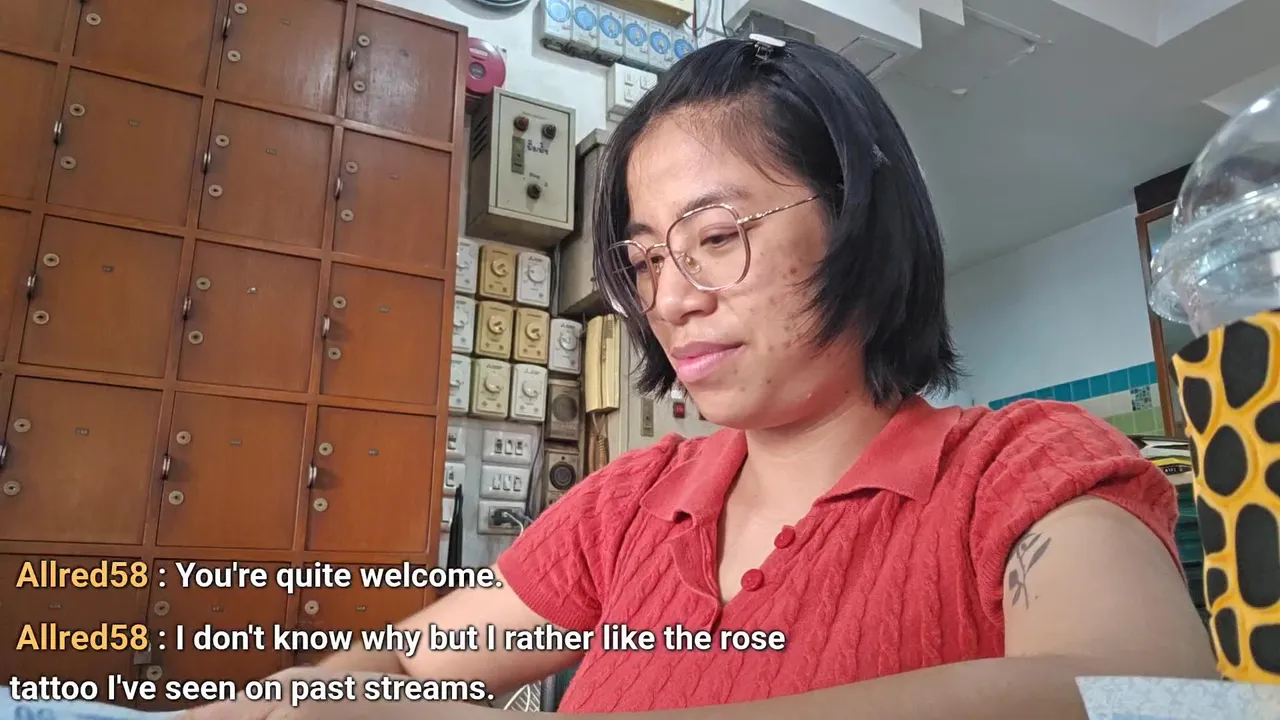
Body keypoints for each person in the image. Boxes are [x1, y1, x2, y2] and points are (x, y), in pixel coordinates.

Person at [188, 35, 1215, 720]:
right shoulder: (627, 508)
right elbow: (413, 666)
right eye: (643, 260)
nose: (669, 298)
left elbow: (1143, 701)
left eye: (715, 237)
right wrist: (303, 697)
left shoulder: (1019, 470)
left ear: (859, 219)